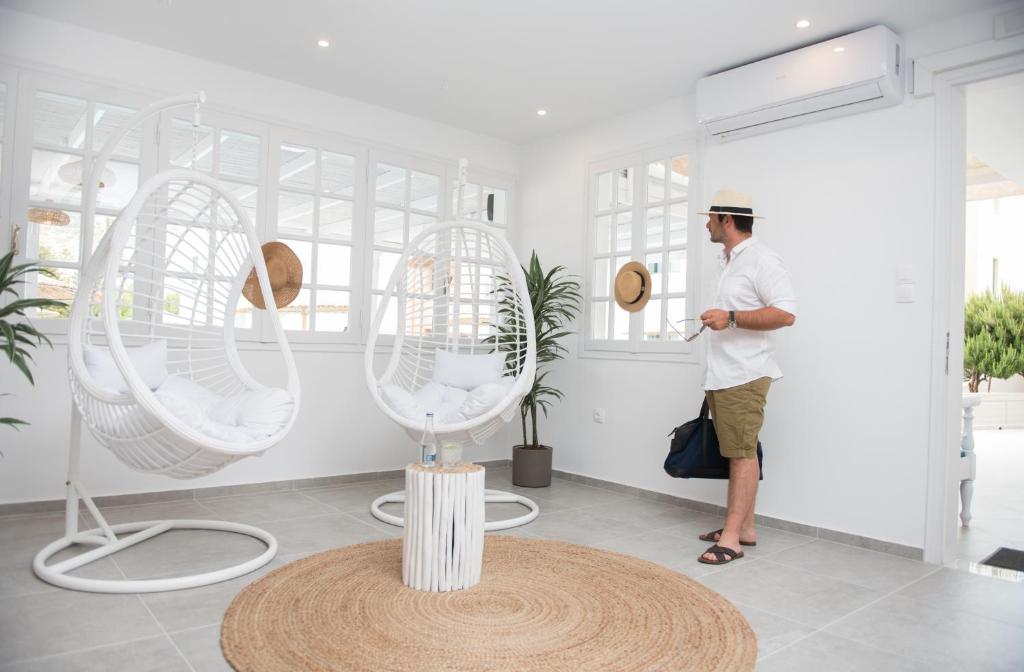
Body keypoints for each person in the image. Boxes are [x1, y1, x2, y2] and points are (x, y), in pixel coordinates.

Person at [695, 189, 796, 565]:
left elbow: (785, 313)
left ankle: (731, 539)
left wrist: (732, 318)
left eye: (710, 218)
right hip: (722, 373)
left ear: (726, 220)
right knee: (740, 450)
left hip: (745, 373)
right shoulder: (725, 262)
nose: (706, 225)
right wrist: (721, 318)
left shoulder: (762, 259)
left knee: (741, 454)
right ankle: (745, 528)